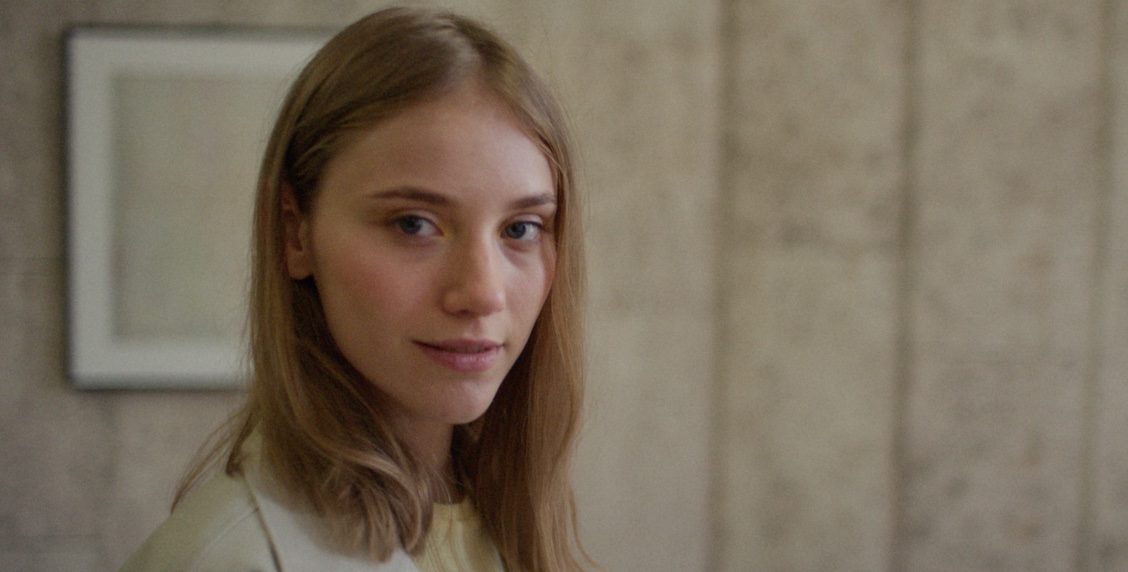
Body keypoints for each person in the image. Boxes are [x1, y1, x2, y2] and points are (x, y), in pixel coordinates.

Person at [120, 7, 590, 571]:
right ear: (295, 232)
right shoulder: (224, 561)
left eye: (520, 229)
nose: (484, 293)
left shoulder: (504, 525)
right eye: (414, 224)